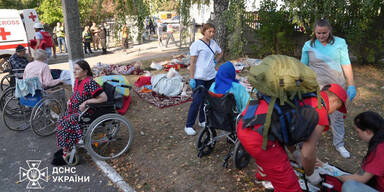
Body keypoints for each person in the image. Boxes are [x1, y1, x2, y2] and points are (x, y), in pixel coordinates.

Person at [237, 83, 348, 192]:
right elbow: (307, 153)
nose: (333, 112)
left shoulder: (306, 95)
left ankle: (264, 177)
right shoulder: (321, 112)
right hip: (260, 136)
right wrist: (310, 173)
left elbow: (287, 125)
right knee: (289, 187)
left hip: (247, 121)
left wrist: (294, 152)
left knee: (266, 159)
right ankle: (273, 179)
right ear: (334, 101)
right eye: (337, 108)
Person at [301, 18, 356, 158]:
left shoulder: (340, 43)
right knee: (315, 115)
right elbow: (303, 67)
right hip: (317, 87)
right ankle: (310, 141)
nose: (321, 36)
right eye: (318, 33)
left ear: (329, 31)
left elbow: (346, 63)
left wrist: (351, 84)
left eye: (324, 33)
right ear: (314, 32)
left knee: (337, 116)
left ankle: (339, 144)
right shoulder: (308, 45)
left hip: (336, 87)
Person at [53, 60, 107, 165]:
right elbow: (77, 94)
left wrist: (87, 101)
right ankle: (67, 146)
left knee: (66, 122)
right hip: (74, 109)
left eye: (77, 69)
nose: (74, 72)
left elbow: (104, 98)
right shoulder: (78, 81)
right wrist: (71, 100)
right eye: (74, 69)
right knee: (61, 121)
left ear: (85, 71)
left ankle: (68, 147)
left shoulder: (90, 82)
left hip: (87, 112)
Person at [185, 23, 223, 136]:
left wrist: (215, 61)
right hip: (199, 77)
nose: (211, 34)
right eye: (209, 31)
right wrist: (192, 78)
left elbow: (220, 53)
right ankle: (188, 125)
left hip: (211, 76)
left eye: (213, 32)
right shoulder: (196, 45)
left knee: (206, 100)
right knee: (197, 101)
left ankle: (202, 120)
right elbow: (192, 63)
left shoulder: (214, 43)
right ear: (204, 31)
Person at [335, 111, 384, 192]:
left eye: (358, 131)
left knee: (349, 186)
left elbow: (360, 178)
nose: (358, 135)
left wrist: (336, 175)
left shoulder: (380, 149)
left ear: (368, 131)